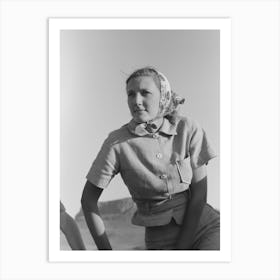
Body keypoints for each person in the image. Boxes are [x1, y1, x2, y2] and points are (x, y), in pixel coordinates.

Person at [81, 67, 220, 250]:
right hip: (159, 242)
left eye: (145, 93)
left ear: (163, 96)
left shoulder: (188, 128)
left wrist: (182, 251)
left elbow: (199, 195)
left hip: (205, 228)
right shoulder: (116, 143)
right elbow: (88, 200)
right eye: (131, 94)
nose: (136, 101)